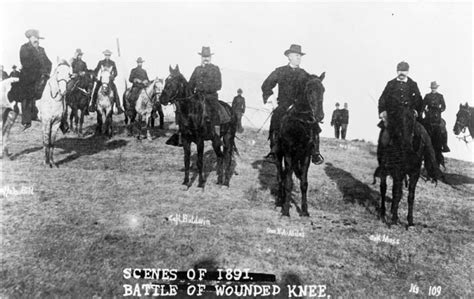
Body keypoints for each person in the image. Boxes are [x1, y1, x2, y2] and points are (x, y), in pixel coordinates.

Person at [261, 44, 324, 165]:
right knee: (276, 119)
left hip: (300, 108)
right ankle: (274, 151)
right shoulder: (280, 71)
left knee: (314, 124)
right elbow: (266, 85)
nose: (299, 58)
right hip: (284, 105)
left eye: (300, 56)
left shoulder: (305, 74)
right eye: (296, 55)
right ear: (289, 56)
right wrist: (273, 101)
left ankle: (315, 152)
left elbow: (312, 89)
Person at [377, 61, 439, 175]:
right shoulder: (390, 84)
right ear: (397, 71)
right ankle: (382, 164)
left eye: (404, 71)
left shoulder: (413, 84)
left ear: (408, 72)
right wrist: (382, 111)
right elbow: (382, 99)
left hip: (409, 117)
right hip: (393, 117)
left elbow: (419, 100)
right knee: (384, 137)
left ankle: (432, 165)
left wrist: (416, 110)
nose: (402, 73)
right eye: (400, 70)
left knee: (424, 135)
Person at [189, 46, 230, 137]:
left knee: (214, 110)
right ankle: (182, 133)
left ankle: (216, 133)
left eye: (207, 56)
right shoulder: (197, 69)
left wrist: (205, 89)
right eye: (203, 56)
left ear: (210, 57)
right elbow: (190, 84)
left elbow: (219, 85)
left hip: (210, 96)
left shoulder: (215, 69)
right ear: (201, 58)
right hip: (198, 96)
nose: (205, 59)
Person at [17, 29, 52, 130]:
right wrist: (38, 70)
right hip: (28, 76)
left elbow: (48, 62)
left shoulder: (41, 49)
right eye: (35, 38)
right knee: (27, 95)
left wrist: (46, 72)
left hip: (41, 76)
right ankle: (27, 120)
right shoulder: (24, 48)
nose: (37, 40)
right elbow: (25, 62)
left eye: (38, 38)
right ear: (30, 38)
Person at [89, 49, 123, 114]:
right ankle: (92, 105)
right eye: (106, 55)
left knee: (115, 90)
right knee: (96, 90)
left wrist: (112, 76)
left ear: (110, 55)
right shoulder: (101, 62)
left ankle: (118, 106)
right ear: (104, 55)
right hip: (102, 80)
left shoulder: (112, 63)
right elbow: (96, 70)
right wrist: (95, 76)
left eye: (108, 55)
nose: (107, 56)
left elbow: (116, 72)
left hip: (109, 80)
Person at [422, 81, 450, 152]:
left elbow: (444, 106)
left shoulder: (440, 96)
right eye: (432, 88)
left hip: (437, 115)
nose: (433, 89)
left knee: (443, 126)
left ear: (436, 88)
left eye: (434, 88)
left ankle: (445, 145)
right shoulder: (427, 96)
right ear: (431, 88)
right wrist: (425, 110)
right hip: (429, 115)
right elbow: (423, 105)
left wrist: (440, 110)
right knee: (422, 126)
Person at [67, 48, 90, 113]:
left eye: (81, 55)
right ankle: (67, 102)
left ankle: (86, 107)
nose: (79, 56)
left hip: (82, 78)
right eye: (78, 55)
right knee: (69, 87)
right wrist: (74, 74)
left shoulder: (84, 63)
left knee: (88, 89)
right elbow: (70, 63)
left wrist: (84, 73)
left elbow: (86, 70)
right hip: (75, 78)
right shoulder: (73, 61)